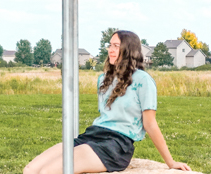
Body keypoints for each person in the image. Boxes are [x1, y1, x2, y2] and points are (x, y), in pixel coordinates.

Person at [25, 30, 191, 174]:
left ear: (128, 50)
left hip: (116, 144)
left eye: (116, 46)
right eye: (110, 45)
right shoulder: (103, 79)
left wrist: (170, 162)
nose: (110, 50)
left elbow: (150, 124)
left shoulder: (143, 80)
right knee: (31, 170)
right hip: (92, 135)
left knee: (48, 172)